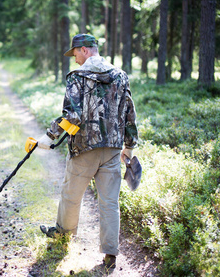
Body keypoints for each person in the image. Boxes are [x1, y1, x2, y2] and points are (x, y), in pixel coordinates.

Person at [37, 34, 138, 270]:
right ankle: (110, 253)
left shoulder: (78, 77)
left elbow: (71, 115)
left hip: (84, 147)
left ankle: (63, 236)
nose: (74, 60)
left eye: (75, 54)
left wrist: (49, 136)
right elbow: (129, 112)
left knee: (71, 196)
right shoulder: (120, 76)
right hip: (113, 149)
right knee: (110, 202)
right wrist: (129, 146)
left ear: (84, 50)